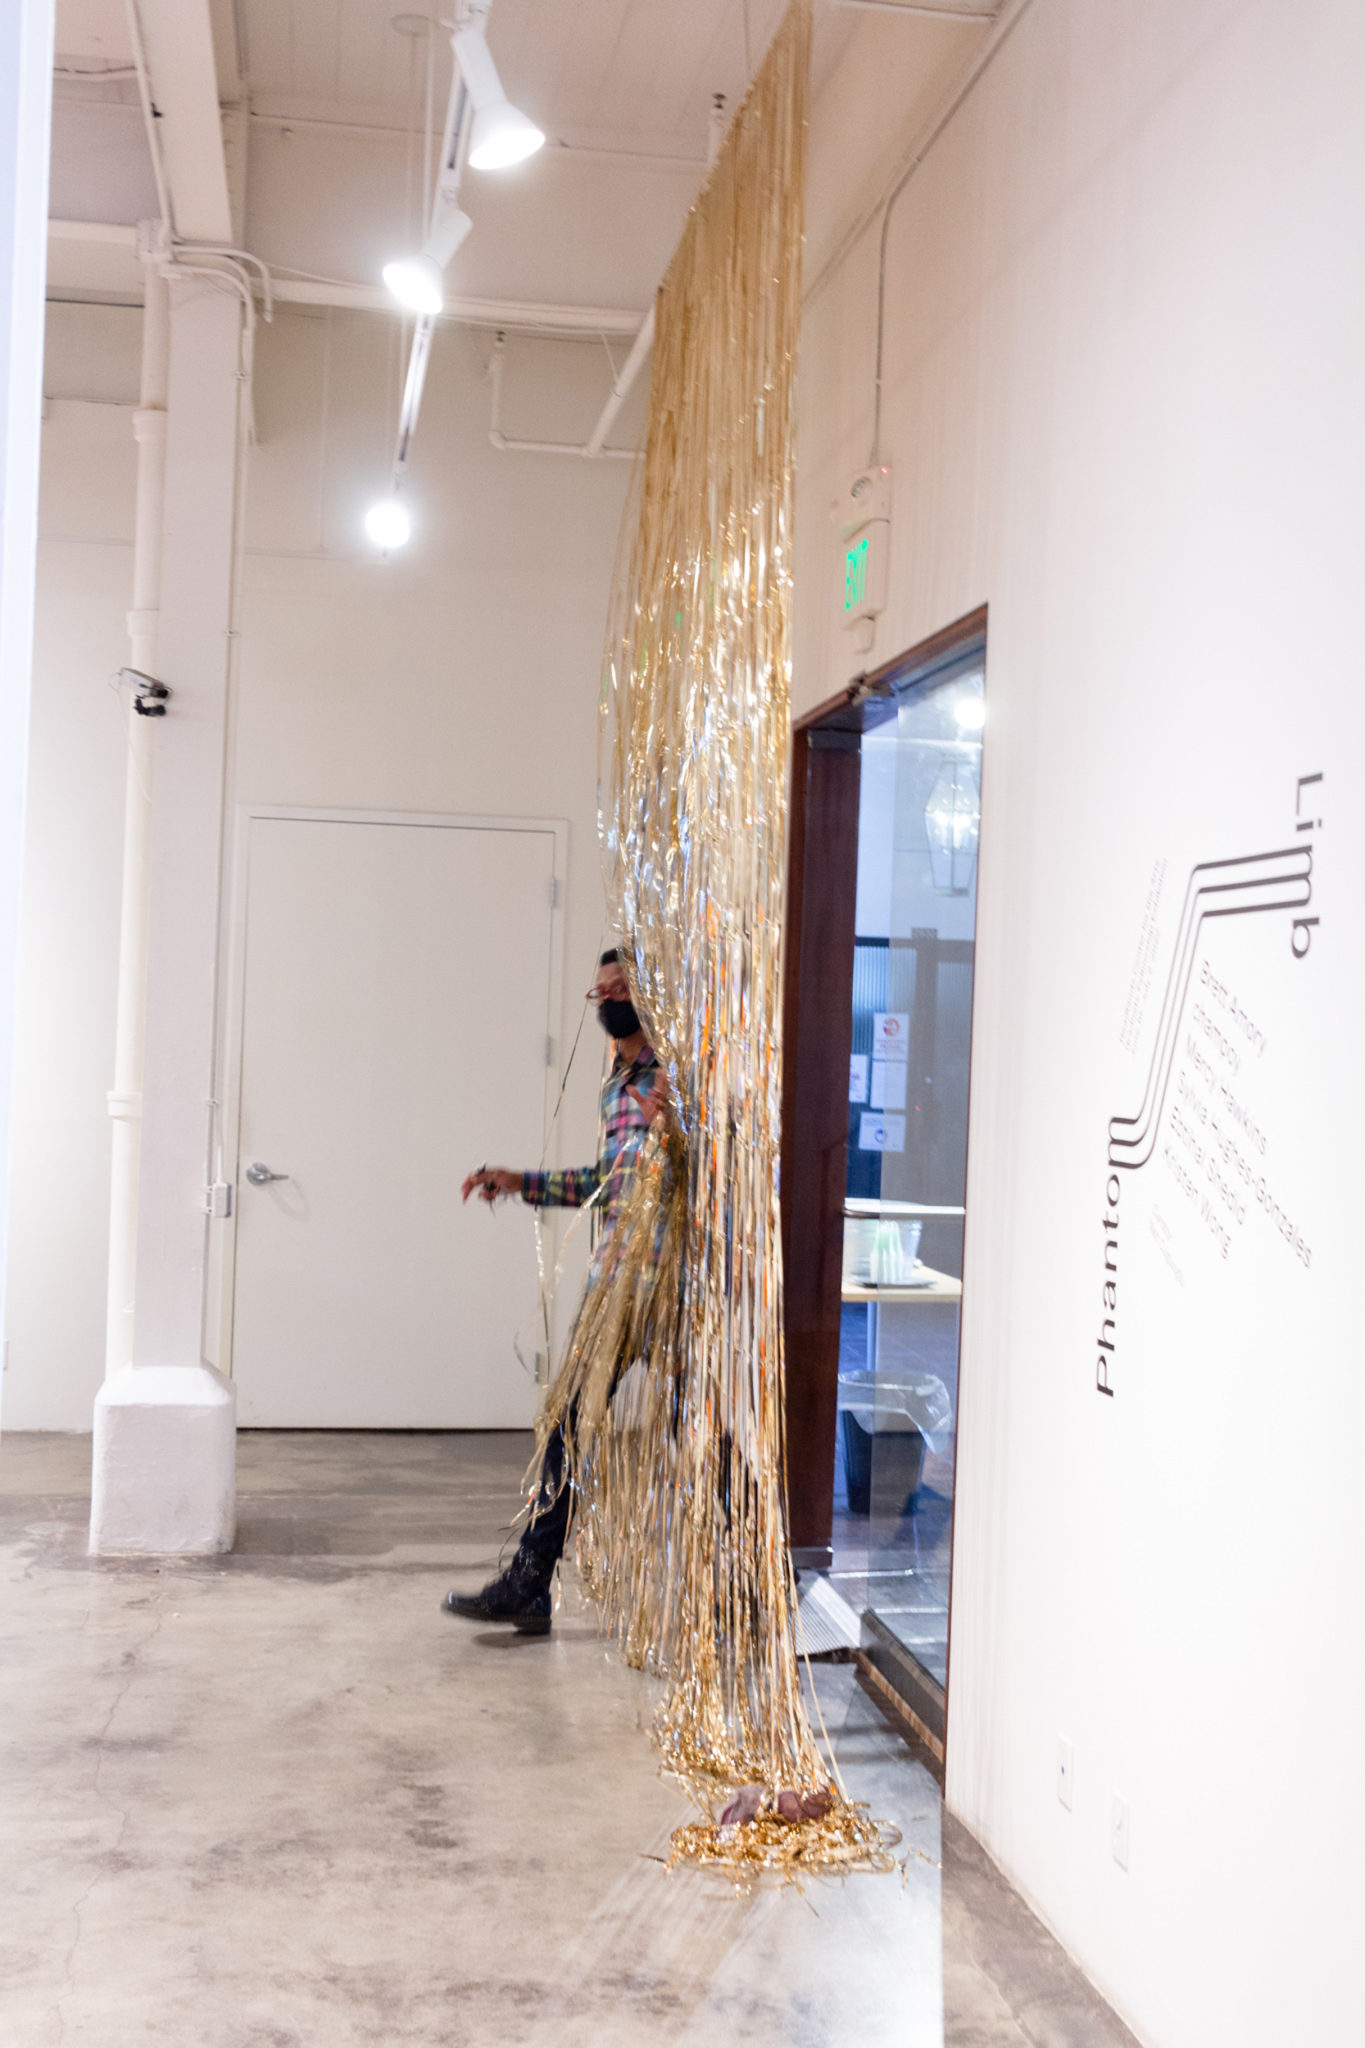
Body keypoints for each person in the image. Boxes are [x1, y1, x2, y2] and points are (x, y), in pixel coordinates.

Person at [444, 950, 662, 1634]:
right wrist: (521, 1181)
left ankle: (758, 1585)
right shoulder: (615, 1084)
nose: (608, 996)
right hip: (614, 1285)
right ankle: (531, 1582)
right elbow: (605, 1181)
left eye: (622, 984)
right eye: (601, 987)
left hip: (677, 1289)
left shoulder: (682, 1078)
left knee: (703, 1432)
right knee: (567, 1424)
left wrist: (679, 1130)